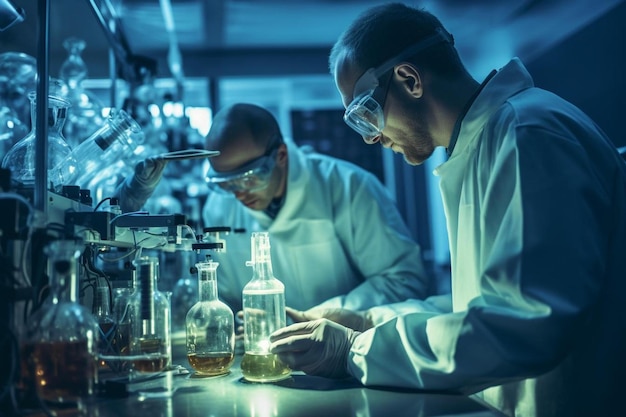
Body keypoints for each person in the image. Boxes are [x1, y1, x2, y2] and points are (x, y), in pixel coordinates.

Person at [268, 3, 626, 417]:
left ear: (409, 79)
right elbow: (475, 307)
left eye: (367, 114)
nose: (371, 138)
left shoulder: (528, 136)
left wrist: (355, 350)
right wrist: (363, 320)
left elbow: (525, 325)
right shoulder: (486, 143)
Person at [201, 103, 431, 319]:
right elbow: (225, 300)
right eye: (226, 184)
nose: (238, 194)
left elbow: (403, 281)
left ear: (280, 155)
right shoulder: (219, 207)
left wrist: (322, 318)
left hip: (349, 349)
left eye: (249, 179)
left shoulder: (349, 187)